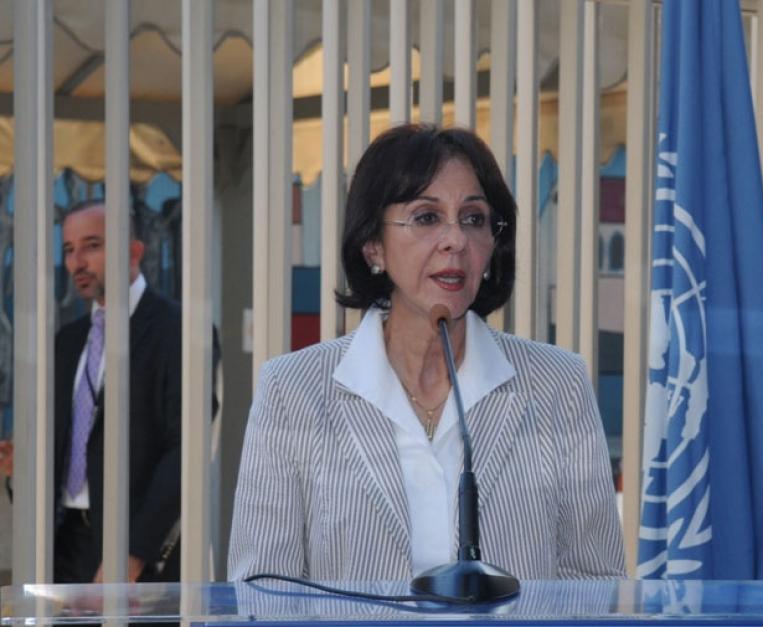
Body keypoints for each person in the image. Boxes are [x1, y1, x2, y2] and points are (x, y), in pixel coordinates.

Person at [228, 124, 624, 581]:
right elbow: (263, 587)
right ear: (373, 245)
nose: (456, 240)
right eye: (427, 217)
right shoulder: (293, 391)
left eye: (473, 219)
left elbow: (596, 582)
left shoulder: (557, 384)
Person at [0, 200, 208, 583]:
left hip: (137, 555)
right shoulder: (68, 341)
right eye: (68, 249)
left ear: (134, 252)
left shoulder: (178, 331)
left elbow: (186, 451)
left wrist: (133, 555)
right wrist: (22, 468)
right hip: (64, 546)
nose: (76, 262)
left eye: (92, 246)